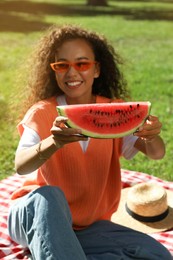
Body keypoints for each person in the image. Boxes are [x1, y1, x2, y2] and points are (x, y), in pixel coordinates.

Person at [7, 24, 171, 260]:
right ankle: (50, 245)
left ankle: (51, 251)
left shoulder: (115, 112)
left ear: (96, 70)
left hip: (89, 227)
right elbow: (21, 165)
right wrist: (54, 142)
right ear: (54, 71)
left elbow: (156, 153)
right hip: (35, 213)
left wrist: (152, 135)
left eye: (82, 64)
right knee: (50, 195)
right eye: (62, 65)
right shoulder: (42, 112)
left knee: (157, 254)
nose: (72, 73)